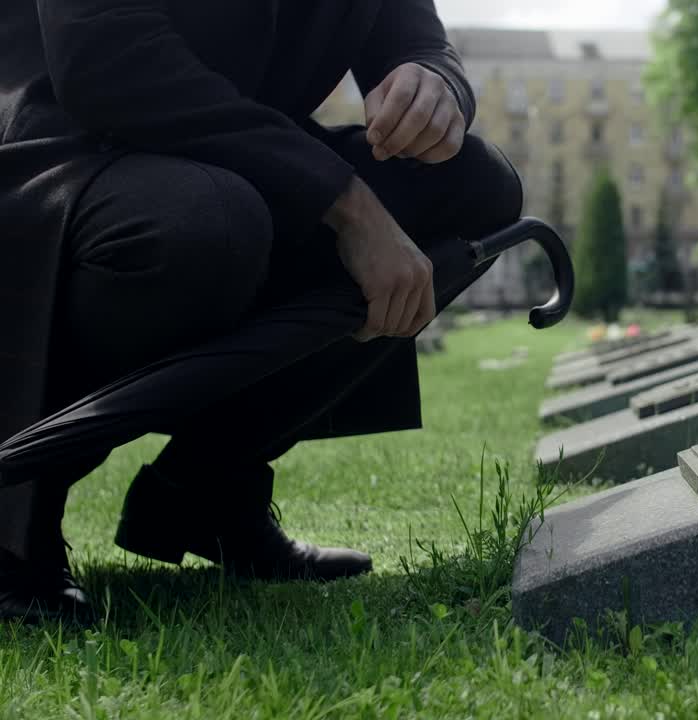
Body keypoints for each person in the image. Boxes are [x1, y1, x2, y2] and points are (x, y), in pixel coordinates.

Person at [0, 0, 525, 625]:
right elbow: (101, 57)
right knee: (208, 223)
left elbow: (414, 39)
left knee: (474, 186)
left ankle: (207, 490)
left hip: (239, 161)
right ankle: (16, 512)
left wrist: (433, 84)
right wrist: (344, 203)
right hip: (60, 149)